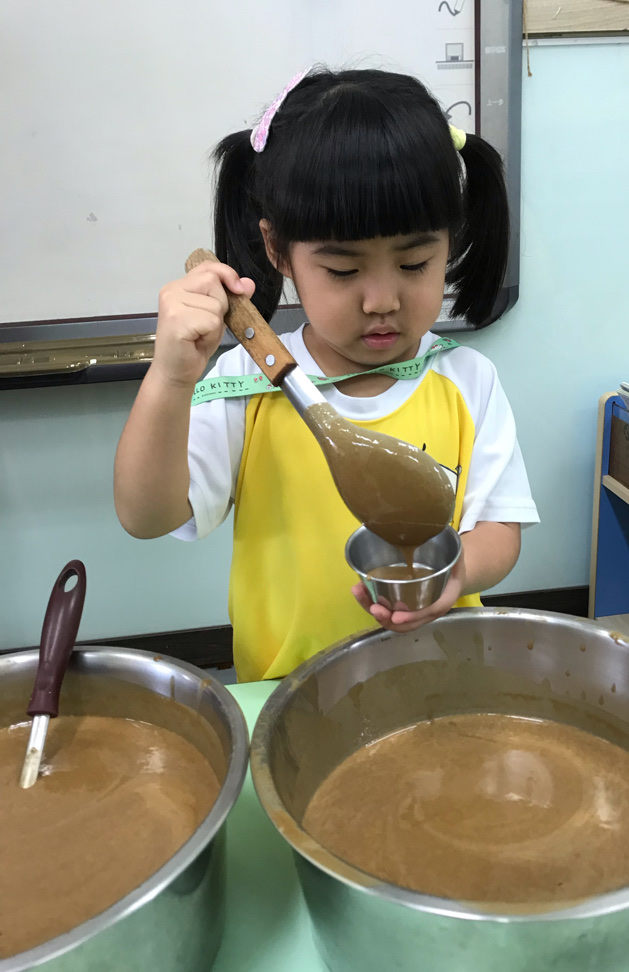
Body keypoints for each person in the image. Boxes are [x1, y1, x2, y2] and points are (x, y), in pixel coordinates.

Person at [114, 67, 539, 682]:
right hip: (289, 689)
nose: (381, 300)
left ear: (450, 243)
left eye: (415, 263)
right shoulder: (248, 384)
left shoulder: (467, 380)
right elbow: (147, 516)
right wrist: (172, 379)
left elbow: (499, 529)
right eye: (343, 271)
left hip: (442, 680)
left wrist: (457, 574)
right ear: (277, 250)